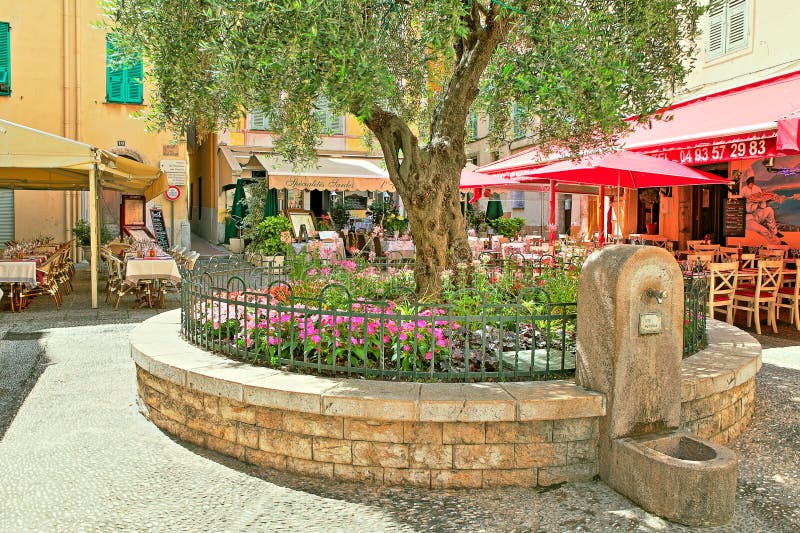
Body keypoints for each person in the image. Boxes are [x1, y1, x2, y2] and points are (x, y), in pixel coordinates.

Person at [740, 173, 784, 243]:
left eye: (752, 181)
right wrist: (748, 201)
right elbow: (740, 204)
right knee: (764, 230)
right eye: (749, 181)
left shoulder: (757, 188)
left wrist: (763, 200)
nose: (751, 183)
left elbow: (762, 206)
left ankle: (774, 232)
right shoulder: (743, 190)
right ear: (747, 181)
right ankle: (777, 243)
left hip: (756, 215)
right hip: (747, 219)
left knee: (769, 210)